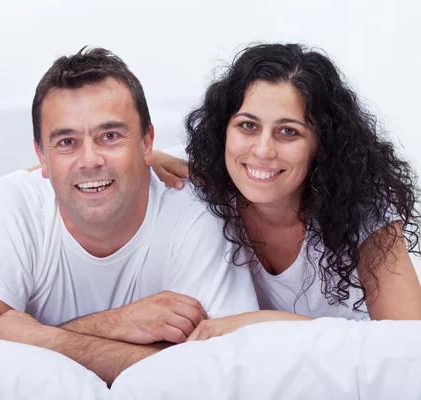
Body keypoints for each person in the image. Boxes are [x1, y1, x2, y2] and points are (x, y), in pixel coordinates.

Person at [0, 47, 259, 386]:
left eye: (110, 136)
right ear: (42, 158)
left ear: (147, 142)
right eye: (67, 141)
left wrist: (43, 339)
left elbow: (219, 371)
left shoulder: (196, 212)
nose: (90, 160)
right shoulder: (14, 204)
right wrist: (115, 324)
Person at [152, 43, 421, 341]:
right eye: (248, 125)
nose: (263, 150)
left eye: (289, 131)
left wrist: (266, 321)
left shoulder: (362, 210)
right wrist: (148, 160)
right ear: (223, 131)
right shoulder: (207, 181)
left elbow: (408, 344)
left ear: (321, 143)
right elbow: (124, 161)